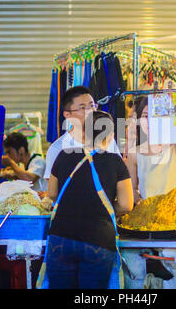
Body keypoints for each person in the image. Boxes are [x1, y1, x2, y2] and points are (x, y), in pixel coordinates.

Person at [45, 110, 133, 289]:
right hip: (98, 240)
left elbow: (52, 194)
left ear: (83, 133)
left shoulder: (63, 155)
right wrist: (100, 206)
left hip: (60, 238)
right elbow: (126, 204)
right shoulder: (115, 162)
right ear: (110, 135)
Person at [43, 85, 121, 181]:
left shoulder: (107, 139)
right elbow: (53, 191)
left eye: (92, 106)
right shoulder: (57, 148)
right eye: (82, 108)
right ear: (68, 115)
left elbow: (119, 174)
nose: (90, 111)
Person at [125, 96, 176, 202]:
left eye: (154, 116)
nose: (149, 121)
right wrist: (143, 205)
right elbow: (132, 189)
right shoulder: (134, 153)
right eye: (145, 116)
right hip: (148, 215)